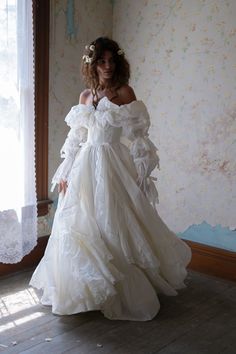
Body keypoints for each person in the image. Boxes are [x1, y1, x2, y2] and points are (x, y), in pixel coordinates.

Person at [30, 37, 191, 321]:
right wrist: (65, 171)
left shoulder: (124, 92)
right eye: (101, 61)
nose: (107, 66)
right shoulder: (85, 97)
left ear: (118, 64)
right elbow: (77, 137)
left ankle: (118, 289)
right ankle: (87, 289)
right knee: (79, 221)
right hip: (84, 166)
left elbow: (140, 137)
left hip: (113, 163)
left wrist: (142, 174)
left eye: (111, 61)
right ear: (92, 65)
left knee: (115, 219)